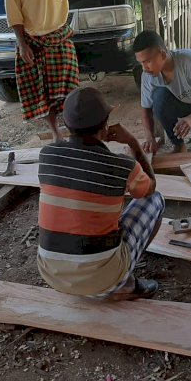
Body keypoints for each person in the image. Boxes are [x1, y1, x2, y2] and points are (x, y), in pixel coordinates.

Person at [36, 87, 164, 300]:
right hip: (102, 278)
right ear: (105, 125)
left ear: (67, 125)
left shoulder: (47, 154)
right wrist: (133, 143)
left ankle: (98, 276)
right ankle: (123, 283)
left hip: (52, 274)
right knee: (155, 200)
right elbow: (150, 187)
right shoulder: (122, 166)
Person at [4, 0, 95, 142]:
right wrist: (22, 44)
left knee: (71, 91)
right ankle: (56, 135)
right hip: (32, 42)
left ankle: (76, 132)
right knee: (44, 96)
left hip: (60, 39)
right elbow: (14, 14)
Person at [134, 30, 191, 154]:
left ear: (162, 54)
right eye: (141, 63)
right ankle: (178, 144)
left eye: (147, 61)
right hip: (186, 100)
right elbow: (146, 109)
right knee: (159, 97)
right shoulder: (148, 76)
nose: (144, 69)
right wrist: (150, 138)